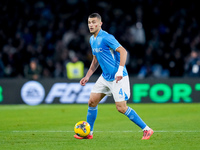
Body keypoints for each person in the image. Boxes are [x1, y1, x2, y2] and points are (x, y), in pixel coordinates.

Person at [74, 13, 153, 140]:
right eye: (89, 22)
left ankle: (147, 129)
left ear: (100, 24)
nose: (91, 25)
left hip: (118, 78)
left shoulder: (106, 37)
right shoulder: (92, 39)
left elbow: (123, 51)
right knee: (92, 101)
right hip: (105, 77)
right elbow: (96, 59)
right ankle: (89, 133)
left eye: (94, 22)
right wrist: (87, 76)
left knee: (121, 108)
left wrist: (120, 71)